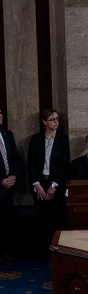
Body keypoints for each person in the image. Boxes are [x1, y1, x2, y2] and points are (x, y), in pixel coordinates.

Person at [27, 109, 70, 258]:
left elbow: (64, 165)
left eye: (57, 119)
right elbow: (31, 163)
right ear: (44, 122)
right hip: (39, 183)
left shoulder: (63, 140)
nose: (56, 122)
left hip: (56, 185)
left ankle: (56, 253)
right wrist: (37, 184)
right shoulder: (36, 139)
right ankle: (43, 253)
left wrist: (54, 186)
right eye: (52, 119)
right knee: (41, 219)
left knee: (56, 219)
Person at [0, 109, 21, 263]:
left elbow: (15, 158)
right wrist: (1, 180)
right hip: (0, 184)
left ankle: (6, 251)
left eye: (1, 113)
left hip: (9, 186)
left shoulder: (8, 134)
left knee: (7, 220)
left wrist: (14, 175)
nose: (1, 116)